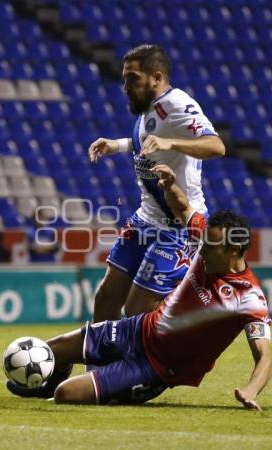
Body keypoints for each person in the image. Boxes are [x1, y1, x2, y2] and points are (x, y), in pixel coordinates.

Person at [7, 165, 272, 410]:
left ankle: (97, 384)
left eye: (210, 248)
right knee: (49, 350)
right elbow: (182, 206)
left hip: (153, 367)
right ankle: (48, 383)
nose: (201, 251)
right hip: (135, 329)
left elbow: (264, 358)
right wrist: (169, 185)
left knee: (67, 395)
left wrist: (250, 391)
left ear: (234, 249)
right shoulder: (206, 238)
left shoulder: (250, 298)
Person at [88, 44, 225, 321]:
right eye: (125, 78)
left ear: (157, 77)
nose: (125, 86)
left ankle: (170, 355)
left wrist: (171, 141)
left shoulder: (177, 104)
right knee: (106, 297)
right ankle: (101, 360)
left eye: (133, 78)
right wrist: (116, 145)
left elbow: (216, 145)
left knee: (137, 309)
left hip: (179, 223)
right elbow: (149, 143)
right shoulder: (147, 109)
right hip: (146, 219)